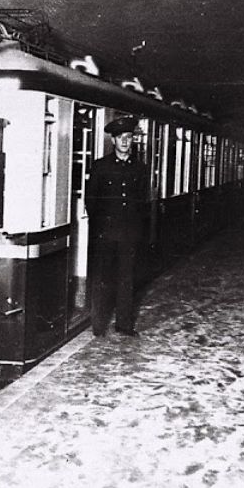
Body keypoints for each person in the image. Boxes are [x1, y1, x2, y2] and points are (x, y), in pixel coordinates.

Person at [84, 114, 149, 337]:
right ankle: (98, 325)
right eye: (120, 137)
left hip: (129, 234)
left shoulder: (140, 168)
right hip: (105, 234)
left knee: (126, 279)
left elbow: (142, 202)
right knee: (102, 279)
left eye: (128, 137)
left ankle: (124, 325)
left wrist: (138, 231)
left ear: (133, 140)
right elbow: (91, 201)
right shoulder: (100, 167)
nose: (124, 141)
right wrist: (99, 229)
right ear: (113, 140)